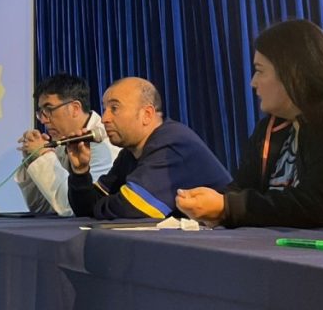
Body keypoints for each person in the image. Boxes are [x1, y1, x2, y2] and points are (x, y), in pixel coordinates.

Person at [175, 20, 323, 236]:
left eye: (260, 71)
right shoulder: (271, 128)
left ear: (294, 73)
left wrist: (228, 207)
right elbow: (244, 187)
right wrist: (215, 205)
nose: (253, 82)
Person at [66, 77, 232, 219]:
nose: (104, 119)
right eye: (105, 109)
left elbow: (131, 209)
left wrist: (103, 205)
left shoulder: (172, 141)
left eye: (114, 108)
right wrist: (80, 172)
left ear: (147, 114)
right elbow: (88, 208)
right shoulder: (129, 153)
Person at [15, 74, 120, 216]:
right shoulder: (64, 140)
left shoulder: (104, 144)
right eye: (41, 113)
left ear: (75, 108)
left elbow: (76, 208)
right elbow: (42, 209)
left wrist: (43, 157)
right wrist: (32, 160)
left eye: (49, 110)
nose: (43, 120)